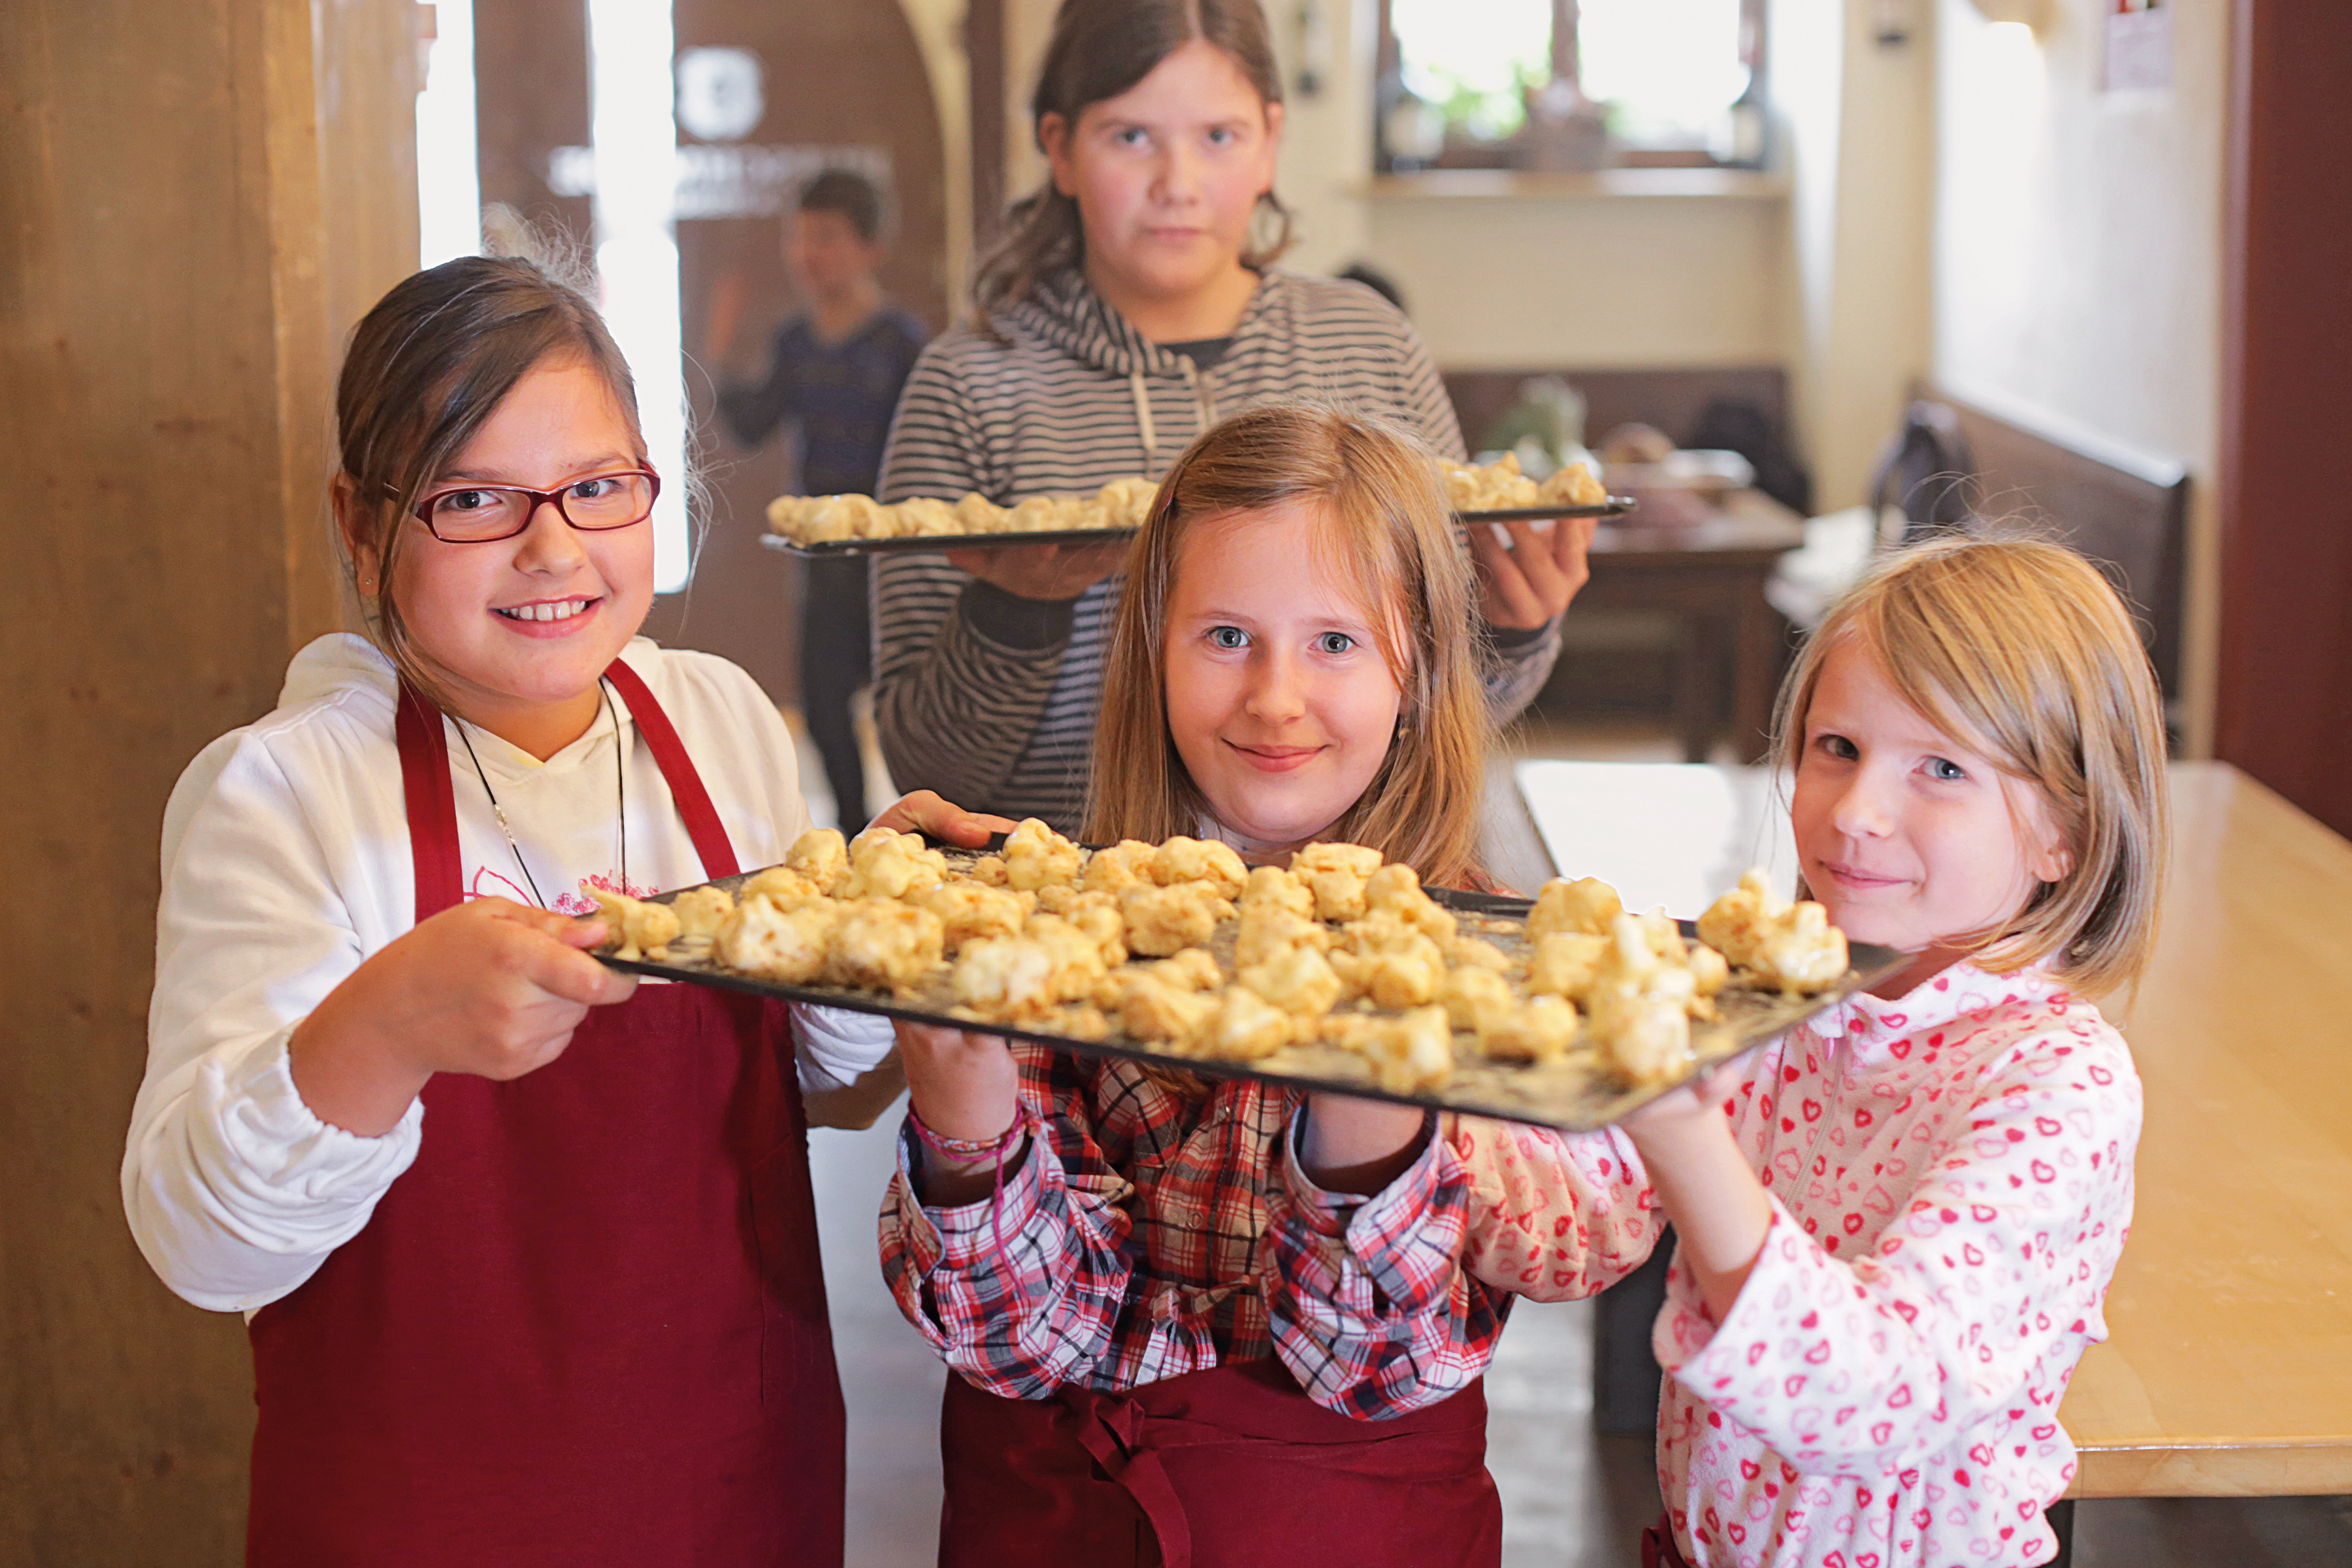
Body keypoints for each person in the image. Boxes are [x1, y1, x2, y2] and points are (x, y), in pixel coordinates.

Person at [122, 253, 1001, 1567]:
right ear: (361, 527)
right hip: (423, 1512)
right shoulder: (285, 793)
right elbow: (202, 1247)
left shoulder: (715, 724)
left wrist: (867, 932)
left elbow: (816, 1082)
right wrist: (390, 1026)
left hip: (734, 1483)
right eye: (473, 499)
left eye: (597, 489)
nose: (553, 549)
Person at [877, 405, 1541, 1568]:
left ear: (1419, 667)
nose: (1275, 699)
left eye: (1335, 643)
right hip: (1051, 1523)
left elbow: (1371, 1367)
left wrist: (1366, 1123)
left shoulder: (1477, 969)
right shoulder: (1047, 925)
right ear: (1152, 653)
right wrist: (964, 1110)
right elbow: (1021, 1346)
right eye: (1226, 637)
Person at [1441, 537, 2168, 1568]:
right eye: (1838, 748)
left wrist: (1685, 1133)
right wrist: (1412, 1106)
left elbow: (1874, 1401)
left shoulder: (2057, 1085)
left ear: (2067, 831)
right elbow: (1572, 1229)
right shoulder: (1775, 996)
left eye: (1944, 767)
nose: (1859, 812)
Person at [873, 0, 1595, 830]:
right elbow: (925, 766)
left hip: (1338, 900)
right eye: (1129, 137)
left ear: (1270, 143)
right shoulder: (967, 387)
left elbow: (1435, 718)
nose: (1177, 185)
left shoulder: (1369, 348)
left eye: (1218, 137)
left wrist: (1510, 631)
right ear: (1060, 149)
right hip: (1063, 901)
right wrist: (1017, 609)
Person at [712, 169, 929, 825]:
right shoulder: (795, 340)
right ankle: (858, 832)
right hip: (821, 555)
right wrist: (718, 353)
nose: (809, 253)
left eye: (827, 237)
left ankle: (923, 826)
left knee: (903, 704)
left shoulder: (903, 342)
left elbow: (924, 452)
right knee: (825, 703)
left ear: (870, 247)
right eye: (800, 237)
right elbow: (753, 425)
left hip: (893, 557)